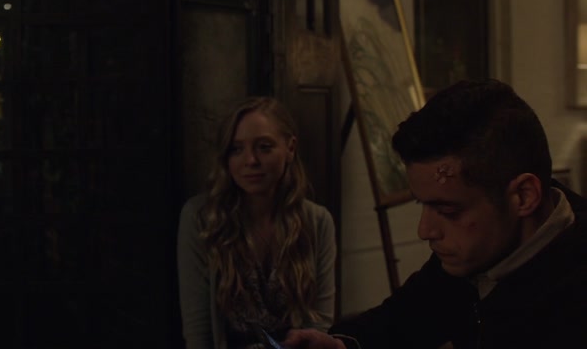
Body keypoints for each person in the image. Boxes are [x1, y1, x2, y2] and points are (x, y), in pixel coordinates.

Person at [283, 79, 587, 349]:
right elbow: (405, 316)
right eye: (423, 204)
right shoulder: (477, 252)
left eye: (447, 210)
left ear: (524, 196)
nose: (425, 230)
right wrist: (342, 344)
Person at [177, 96, 337, 349]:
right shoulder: (201, 219)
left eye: (264, 147)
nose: (250, 160)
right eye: (236, 149)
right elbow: (198, 331)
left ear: (290, 148)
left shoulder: (317, 222)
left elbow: (319, 324)